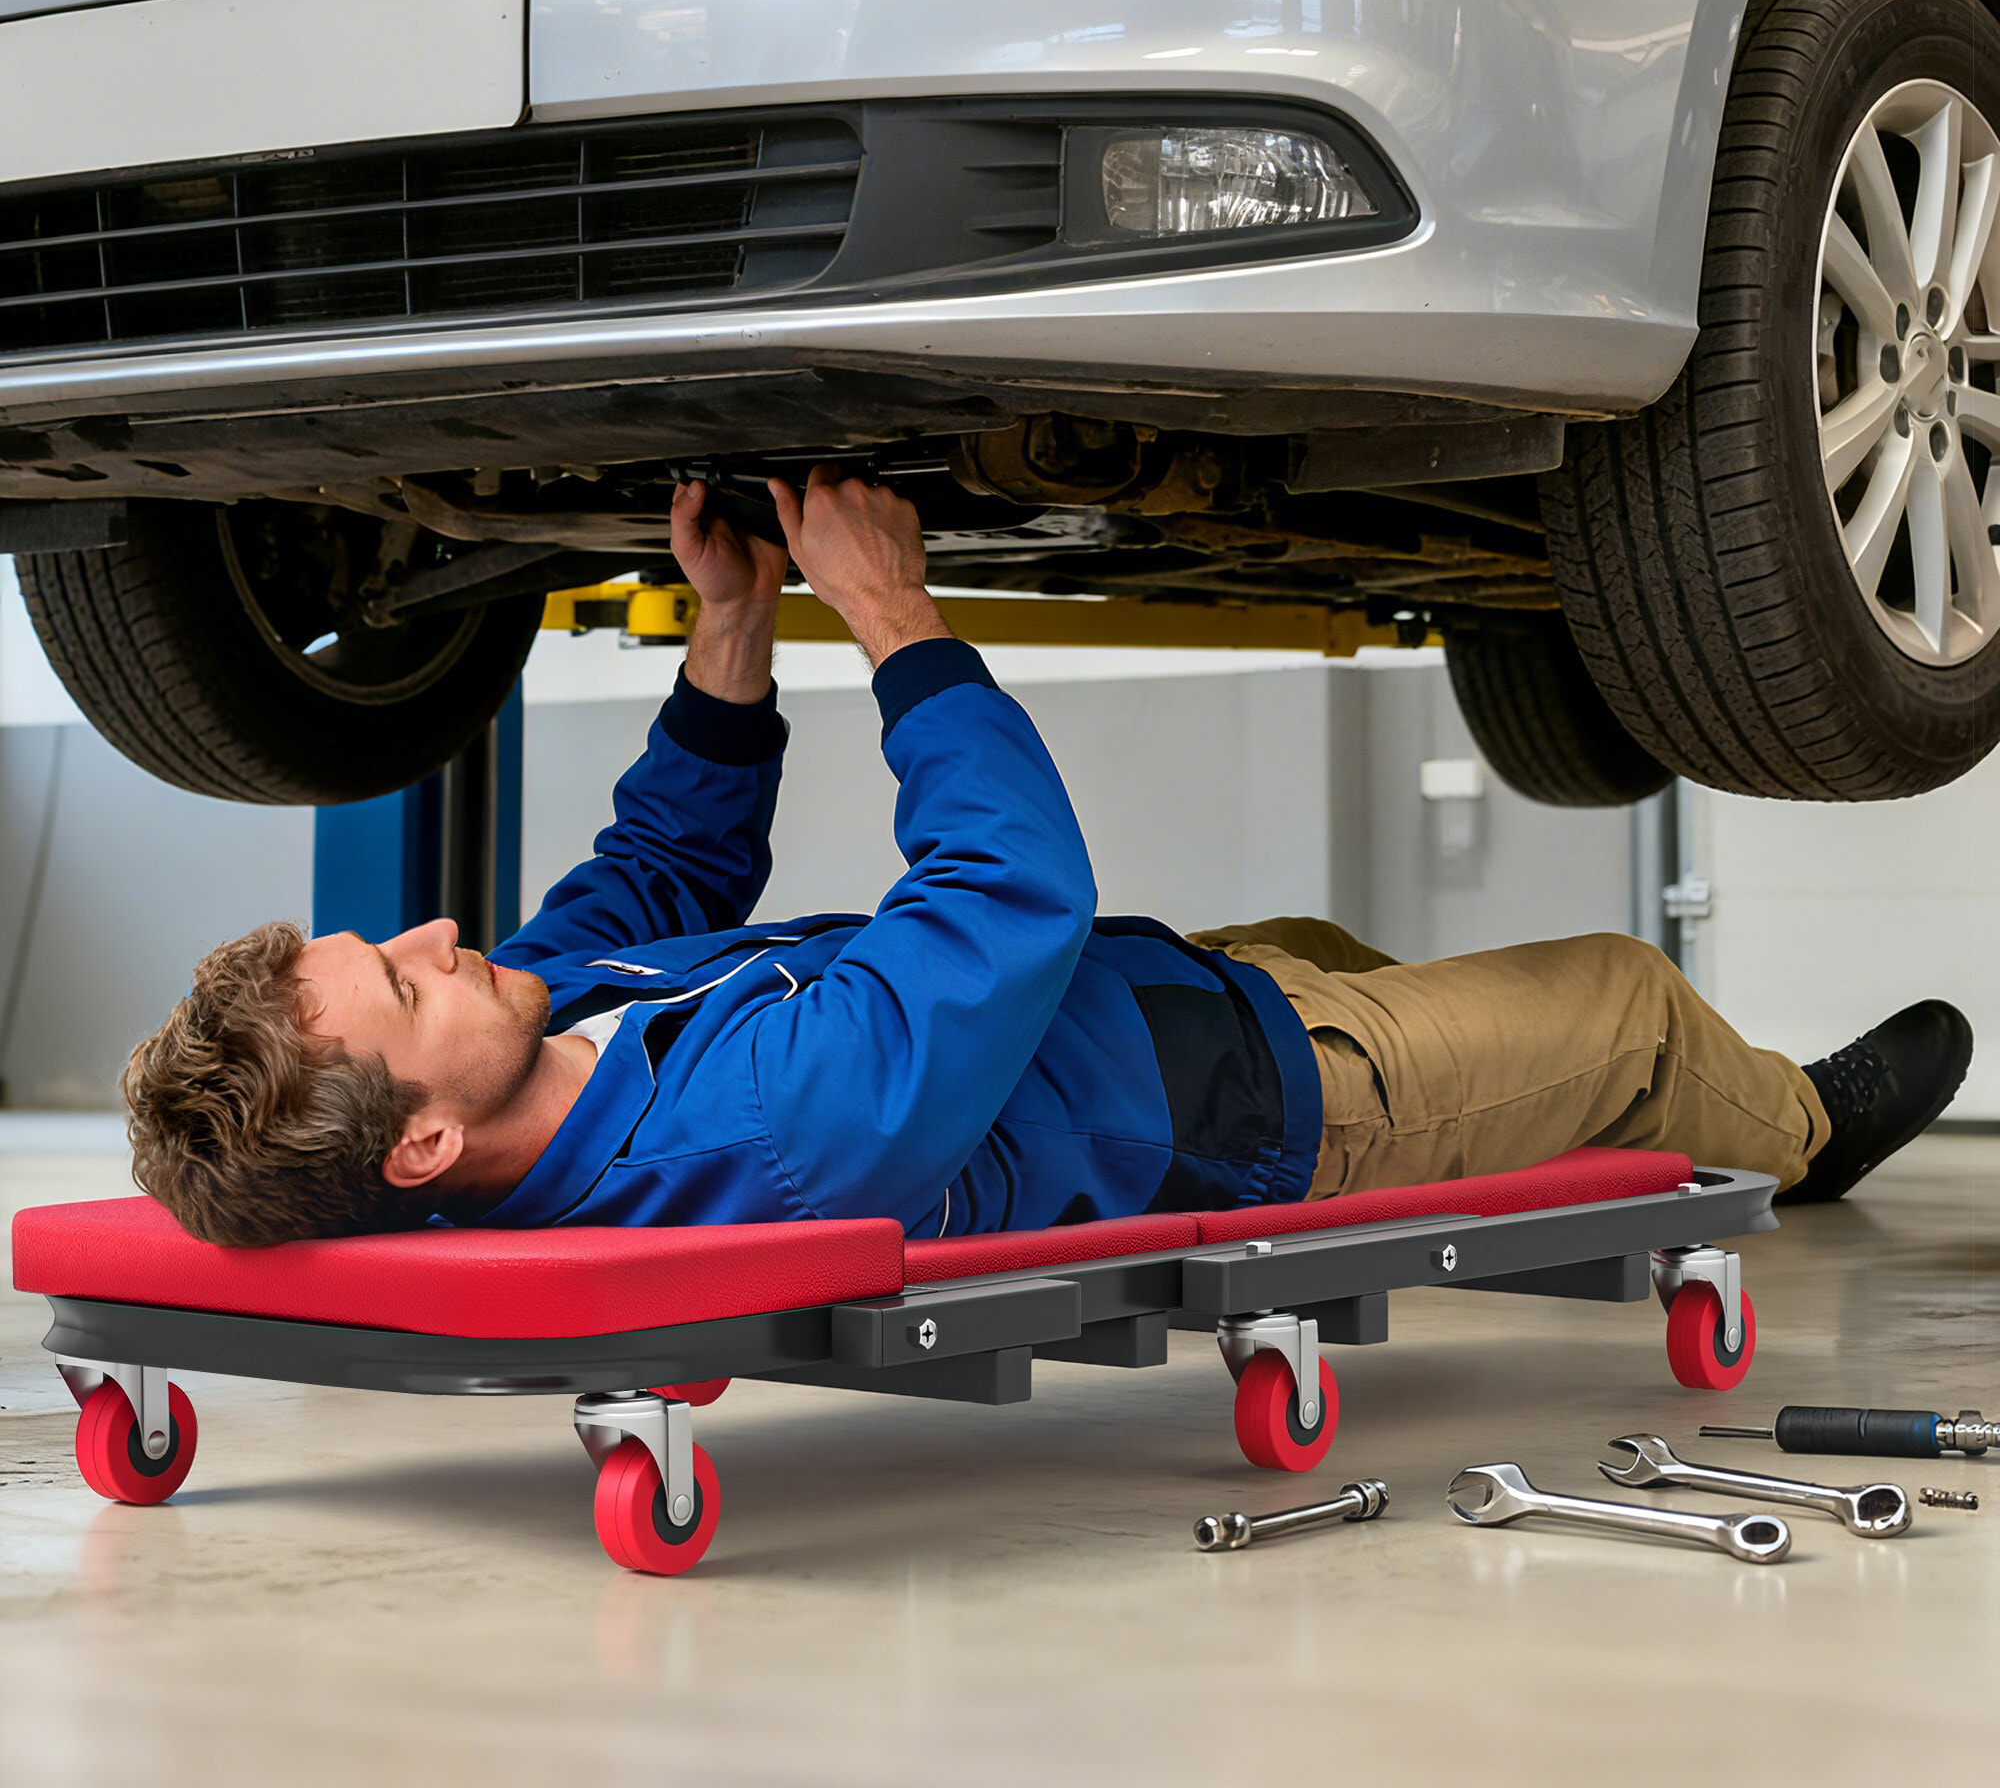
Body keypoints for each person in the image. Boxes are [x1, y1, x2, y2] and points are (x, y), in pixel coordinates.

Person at [125, 469, 1974, 1247]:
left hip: (1172, 1001)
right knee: (1629, 1000)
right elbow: (1004, 898)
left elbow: (649, 881)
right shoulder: (756, 1136)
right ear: (424, 1141)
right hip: (1255, 1099)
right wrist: (893, 613)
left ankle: (1607, 1078)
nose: (443, 930)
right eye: (400, 974)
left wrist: (734, 628)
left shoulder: (548, 1035)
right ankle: (1797, 1137)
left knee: (1329, 930)